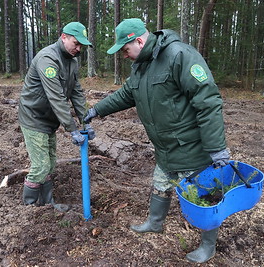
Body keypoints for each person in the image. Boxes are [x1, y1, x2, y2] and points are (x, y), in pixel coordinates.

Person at [84, 18, 230, 263]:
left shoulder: (179, 55)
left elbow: (208, 102)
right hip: (165, 148)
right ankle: (155, 222)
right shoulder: (141, 65)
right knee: (161, 184)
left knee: (202, 195)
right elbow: (126, 94)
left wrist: (216, 148)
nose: (124, 55)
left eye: (125, 49)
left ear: (139, 40)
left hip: (191, 147)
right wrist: (97, 110)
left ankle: (208, 245)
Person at [18, 22, 95, 212]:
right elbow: (56, 97)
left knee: (50, 164)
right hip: (34, 116)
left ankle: (46, 204)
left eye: (81, 46)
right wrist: (72, 129)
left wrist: (85, 121)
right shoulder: (47, 59)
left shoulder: (72, 60)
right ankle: (28, 208)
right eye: (76, 44)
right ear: (63, 37)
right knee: (41, 165)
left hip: (49, 119)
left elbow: (76, 92)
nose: (78, 49)